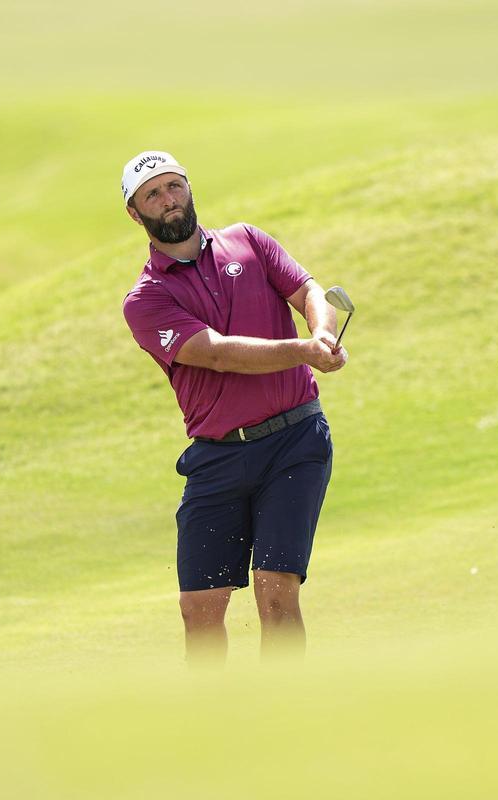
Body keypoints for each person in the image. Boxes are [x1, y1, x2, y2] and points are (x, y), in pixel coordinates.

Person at [119, 150, 346, 665]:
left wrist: (323, 333)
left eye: (174, 185)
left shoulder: (248, 240)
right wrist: (305, 352)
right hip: (218, 457)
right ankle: (215, 729)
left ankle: (282, 717)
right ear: (135, 214)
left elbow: (308, 288)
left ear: (189, 187)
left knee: (275, 589)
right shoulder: (145, 299)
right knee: (198, 608)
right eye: (151, 195)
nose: (168, 199)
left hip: (295, 441)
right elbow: (216, 354)